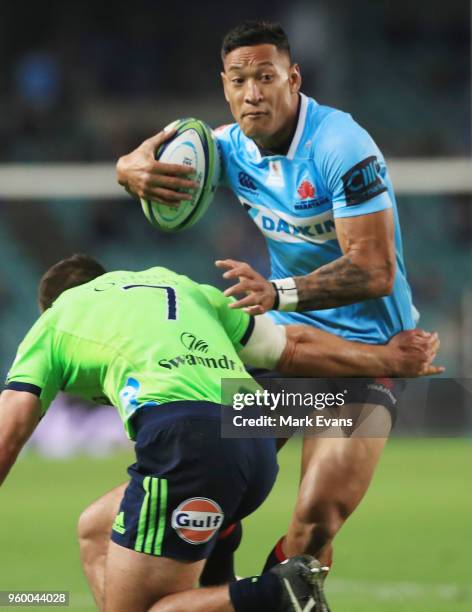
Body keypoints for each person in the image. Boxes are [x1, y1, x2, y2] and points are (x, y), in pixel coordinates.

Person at [115, 20, 432, 581]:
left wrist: (278, 290)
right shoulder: (225, 148)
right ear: (225, 86)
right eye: (239, 80)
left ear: (293, 78)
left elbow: (376, 269)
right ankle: (221, 587)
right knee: (211, 482)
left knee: (316, 521)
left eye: (265, 76)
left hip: (369, 356)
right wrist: (128, 168)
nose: (252, 92)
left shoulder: (342, 146)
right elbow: (156, 153)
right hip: (288, 353)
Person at [0, 255, 439, 612]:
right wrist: (387, 359)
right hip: (251, 430)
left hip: (189, 443)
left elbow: (11, 427)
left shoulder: (57, 320)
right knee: (96, 527)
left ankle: (280, 592)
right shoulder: (181, 286)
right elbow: (293, 348)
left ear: (50, 304)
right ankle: (232, 550)